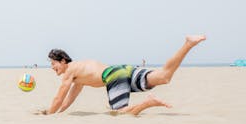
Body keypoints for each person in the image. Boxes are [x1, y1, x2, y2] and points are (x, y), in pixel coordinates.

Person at [40, 35, 206, 115]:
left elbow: (59, 97)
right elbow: (70, 98)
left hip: (113, 76)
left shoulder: (69, 71)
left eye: (53, 63)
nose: (52, 67)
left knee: (120, 113)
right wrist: (59, 112)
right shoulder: (79, 73)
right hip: (121, 70)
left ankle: (149, 103)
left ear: (62, 61)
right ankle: (188, 44)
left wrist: (49, 114)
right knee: (164, 76)